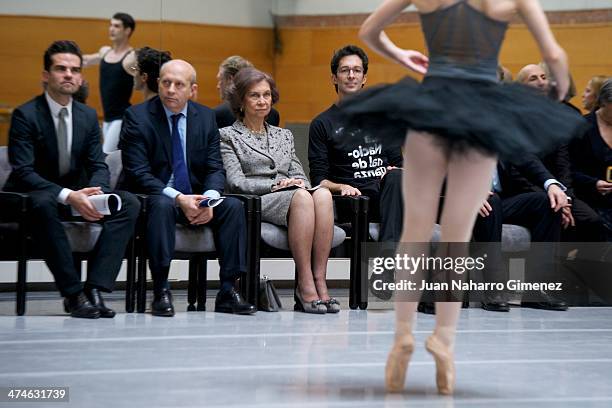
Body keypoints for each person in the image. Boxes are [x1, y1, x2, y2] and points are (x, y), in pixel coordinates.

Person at [343, 0, 587, 395]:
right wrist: (558, 89)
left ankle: (402, 335)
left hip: (432, 105)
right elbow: (554, 54)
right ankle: (444, 339)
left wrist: (398, 53)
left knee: (416, 229)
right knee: (458, 233)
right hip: (480, 113)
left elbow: (369, 32)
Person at [4, 40, 140, 319]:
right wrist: (69, 195)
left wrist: (96, 194)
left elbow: (97, 164)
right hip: (30, 197)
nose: (68, 74)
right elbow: (23, 171)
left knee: (128, 203)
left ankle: (95, 290)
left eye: (74, 69)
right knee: (43, 202)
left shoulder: (88, 116)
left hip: (76, 196)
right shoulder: (25, 115)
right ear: (46, 75)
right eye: (60, 68)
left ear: (81, 76)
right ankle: (72, 293)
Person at [119, 59, 256, 317]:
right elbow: (138, 173)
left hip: (195, 197)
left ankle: (229, 290)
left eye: (178, 84)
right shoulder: (137, 117)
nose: (170, 89)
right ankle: (161, 290)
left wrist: (209, 199)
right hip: (157, 196)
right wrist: (179, 198)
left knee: (234, 207)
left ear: (192, 90)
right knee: (161, 205)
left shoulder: (205, 117)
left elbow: (215, 168)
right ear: (158, 84)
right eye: (165, 82)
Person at [219, 68, 338, 314]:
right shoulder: (228, 136)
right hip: (256, 199)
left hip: (292, 195)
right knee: (303, 197)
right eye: (254, 95)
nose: (263, 101)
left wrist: (298, 183)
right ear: (241, 101)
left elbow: (298, 172)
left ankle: (320, 280)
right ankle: (304, 284)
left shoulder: (284, 135)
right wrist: (276, 185)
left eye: (266, 95)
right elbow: (235, 182)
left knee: (323, 195)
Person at [308, 45, 403, 243]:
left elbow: (398, 164)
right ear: (334, 78)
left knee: (397, 176)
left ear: (364, 78)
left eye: (357, 70)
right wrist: (340, 186)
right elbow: (318, 179)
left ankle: (388, 255)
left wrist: (395, 171)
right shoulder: (322, 124)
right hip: (350, 200)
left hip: (386, 196)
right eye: (345, 70)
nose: (351, 75)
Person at [516, 63, 606, 242]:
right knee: (552, 212)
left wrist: (566, 196)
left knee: (592, 220)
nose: (541, 82)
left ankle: (574, 267)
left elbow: (563, 162)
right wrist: (550, 193)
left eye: (543, 77)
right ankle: (548, 267)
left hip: (557, 188)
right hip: (527, 190)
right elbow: (517, 170)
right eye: (533, 79)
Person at [83, 12, 135, 153]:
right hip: (107, 118)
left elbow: (141, 72)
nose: (111, 29)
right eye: (111, 25)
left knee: (105, 157)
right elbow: (86, 60)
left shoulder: (131, 58)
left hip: (121, 117)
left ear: (127, 30)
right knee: (109, 159)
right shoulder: (105, 52)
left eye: (117, 26)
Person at [570, 79, 612, 240]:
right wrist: (593, 183)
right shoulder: (581, 126)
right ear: (603, 103)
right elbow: (569, 169)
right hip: (588, 196)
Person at [214, 56, 280, 128]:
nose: (218, 86)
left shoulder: (217, 114)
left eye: (220, 80)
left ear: (230, 79)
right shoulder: (273, 114)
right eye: (254, 95)